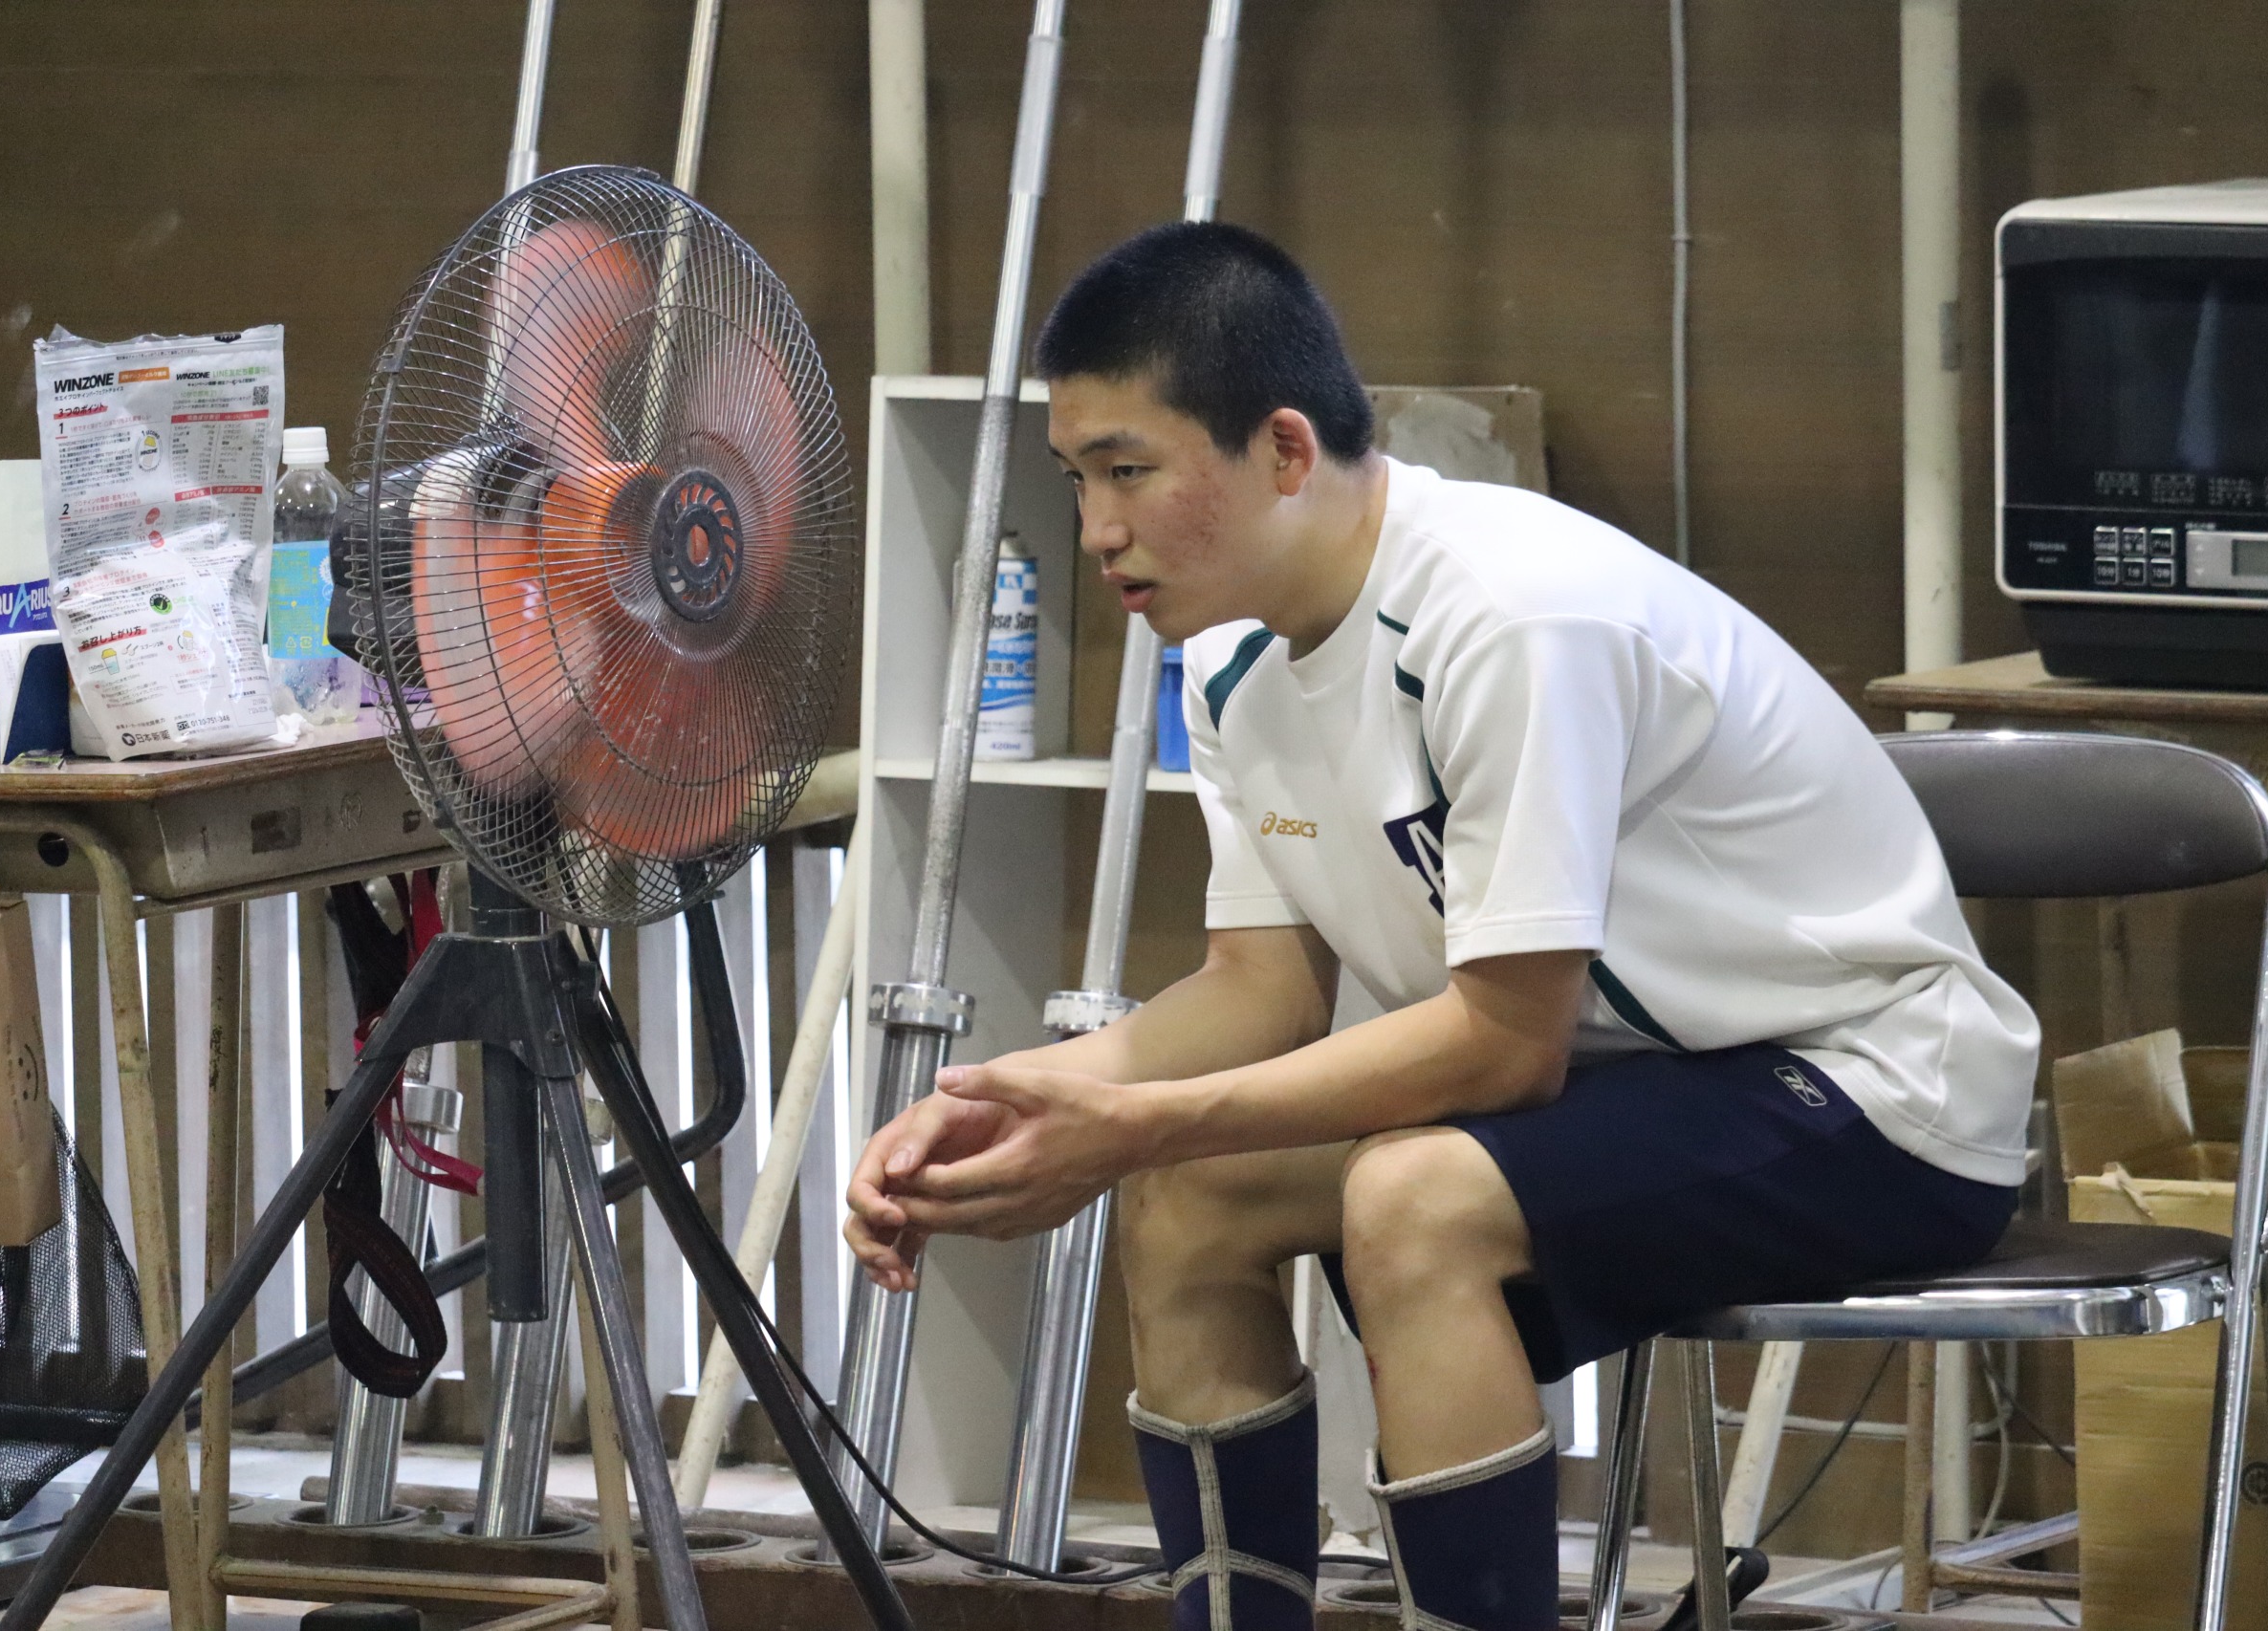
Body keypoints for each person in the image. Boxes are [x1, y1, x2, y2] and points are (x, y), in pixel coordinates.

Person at [844, 222, 2038, 1630]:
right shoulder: (1226, 656)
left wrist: (1136, 1122)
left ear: (1284, 450)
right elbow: (1259, 990)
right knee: (1188, 1199)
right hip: (1641, 1088)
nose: (1098, 528)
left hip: (1875, 1092)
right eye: (1077, 480)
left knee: (1411, 1198)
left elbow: (1504, 1051)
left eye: (1129, 471)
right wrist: (1004, 1100)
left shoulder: (1511, 617)